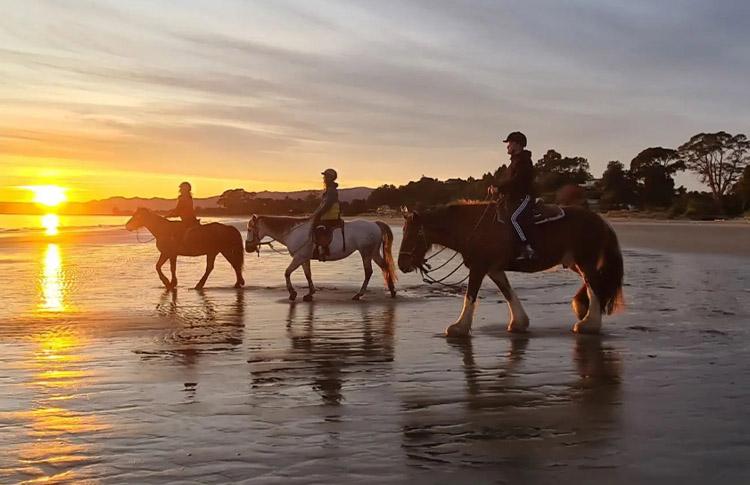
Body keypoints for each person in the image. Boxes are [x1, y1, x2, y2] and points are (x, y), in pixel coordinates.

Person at [489, 132, 536, 261]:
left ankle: (526, 247)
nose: (507, 146)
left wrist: (500, 188)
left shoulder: (524, 162)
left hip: (524, 198)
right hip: (512, 198)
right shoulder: (514, 162)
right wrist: (496, 187)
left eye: (509, 143)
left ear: (516, 144)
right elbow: (506, 180)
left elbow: (516, 181)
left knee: (513, 218)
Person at [311, 168, 341, 261]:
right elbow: (322, 205)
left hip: (331, 216)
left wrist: (318, 214)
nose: (323, 178)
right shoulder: (328, 190)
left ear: (330, 178)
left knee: (318, 228)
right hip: (327, 215)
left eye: (325, 176)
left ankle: (323, 249)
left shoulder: (331, 190)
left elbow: (327, 205)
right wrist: (314, 214)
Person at [167, 181, 199, 248]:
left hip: (187, 220)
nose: (180, 190)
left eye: (181, 188)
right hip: (192, 219)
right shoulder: (189, 197)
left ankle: (179, 247)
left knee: (176, 233)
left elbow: (177, 211)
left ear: (185, 189)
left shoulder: (183, 198)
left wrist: (168, 216)